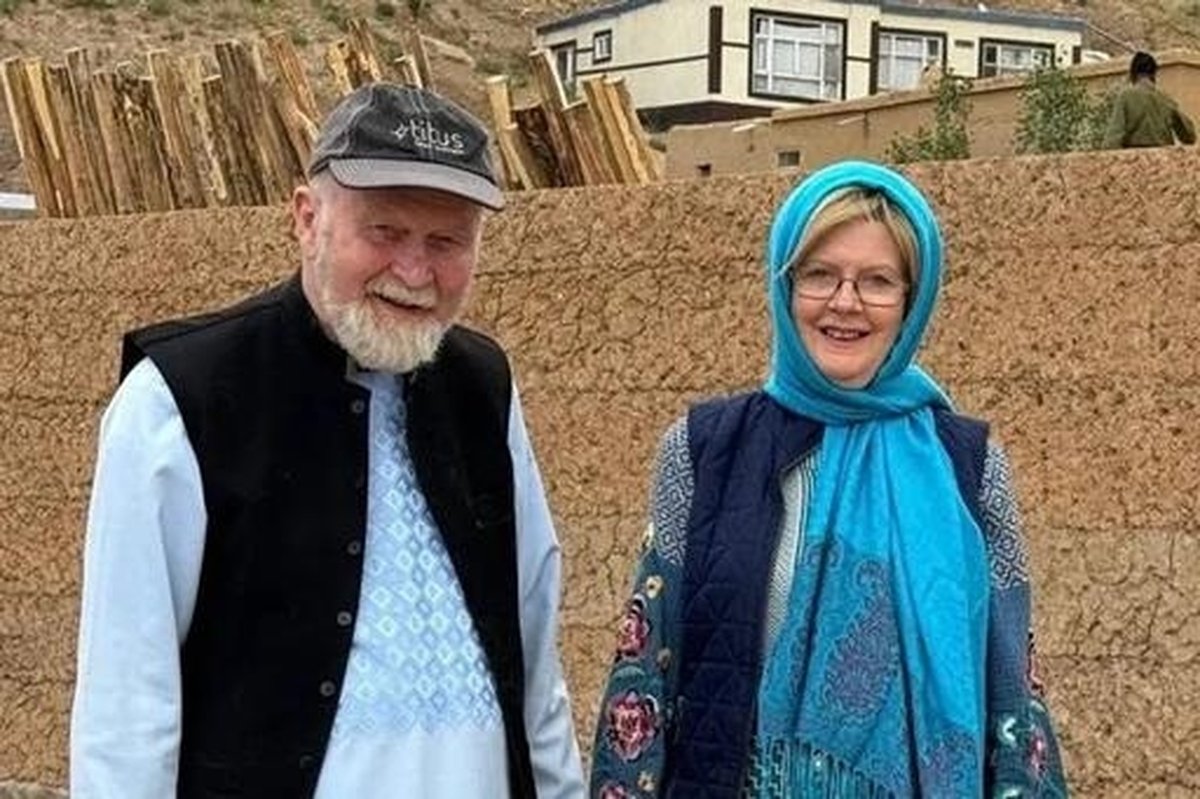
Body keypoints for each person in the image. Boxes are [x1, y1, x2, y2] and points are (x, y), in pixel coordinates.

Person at [69, 82, 585, 799]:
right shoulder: (179, 398)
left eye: (446, 242)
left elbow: (531, 652)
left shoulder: (484, 387)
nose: (415, 272)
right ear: (307, 219)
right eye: (385, 232)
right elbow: (126, 708)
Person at [589, 161, 1069, 798]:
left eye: (877, 281)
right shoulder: (703, 450)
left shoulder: (969, 467)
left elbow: (1013, 691)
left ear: (911, 301)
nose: (845, 302)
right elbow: (645, 669)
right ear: (785, 287)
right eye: (819, 274)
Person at [1103, 51, 1196, 149]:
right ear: (1154, 74)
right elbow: (1189, 136)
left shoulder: (1125, 96)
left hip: (1135, 156)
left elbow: (1112, 141)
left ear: (1132, 74)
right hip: (1163, 156)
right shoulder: (1166, 99)